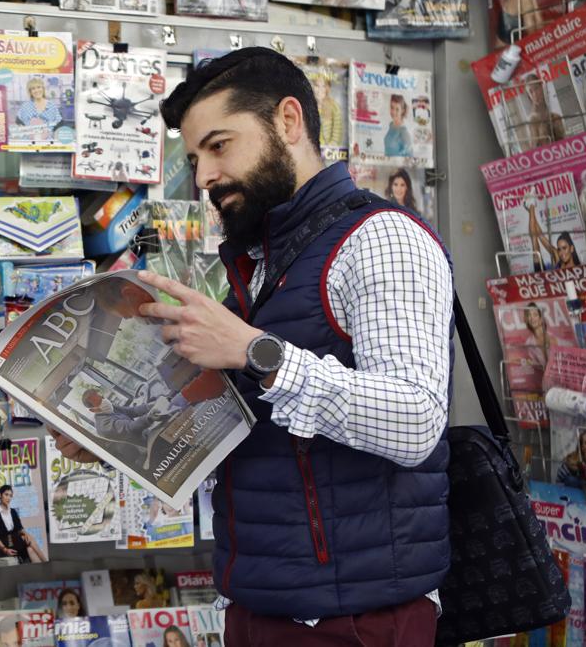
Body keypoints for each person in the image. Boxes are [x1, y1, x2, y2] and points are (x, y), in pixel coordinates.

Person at [51, 47, 452, 642]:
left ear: (289, 122)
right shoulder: (260, 262)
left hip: (354, 617)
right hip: (260, 601)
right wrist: (116, 440)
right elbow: (258, 435)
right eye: (193, 158)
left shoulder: (382, 239)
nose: (205, 175)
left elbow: (417, 421)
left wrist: (256, 351)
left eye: (219, 145)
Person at [0, 484, 47, 564]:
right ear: (0, 495)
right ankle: (46, 562)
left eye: (10, 496)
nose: (8, 498)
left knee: (30, 548)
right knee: (29, 540)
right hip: (5, 544)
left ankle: (42, 570)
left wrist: (25, 534)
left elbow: (19, 528)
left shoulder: (13, 511)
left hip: (17, 541)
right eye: (6, 495)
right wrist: (5, 549)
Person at [384, 94, 414, 158]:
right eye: (392, 107)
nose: (393, 112)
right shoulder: (391, 125)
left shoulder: (403, 132)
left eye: (397, 109)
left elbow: (410, 157)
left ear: (402, 110)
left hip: (396, 167)